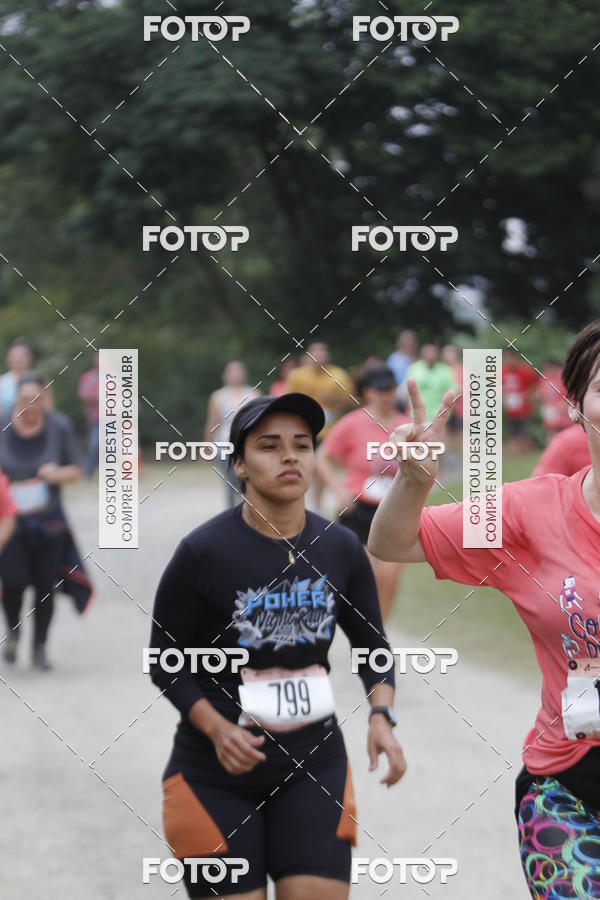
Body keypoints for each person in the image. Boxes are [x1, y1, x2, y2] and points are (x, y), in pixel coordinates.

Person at [368, 321, 600, 899]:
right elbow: (393, 544)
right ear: (573, 405)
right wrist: (414, 481)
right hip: (569, 789)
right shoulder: (531, 512)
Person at [150, 392, 406, 900]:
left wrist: (382, 716)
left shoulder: (340, 547)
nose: (290, 456)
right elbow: (166, 661)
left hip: (314, 764)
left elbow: (372, 645)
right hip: (214, 773)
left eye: (302, 445)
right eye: (269, 446)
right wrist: (219, 729)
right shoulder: (202, 552)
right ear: (239, 466)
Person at [0, 372, 90, 669]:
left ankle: (40, 647)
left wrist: (57, 474)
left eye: (37, 399)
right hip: (9, 520)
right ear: (16, 399)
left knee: (44, 586)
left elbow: (76, 469)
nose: (31, 405)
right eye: (26, 399)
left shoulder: (58, 426)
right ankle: (13, 631)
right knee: (12, 583)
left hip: (48, 522)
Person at [315, 364, 409, 620]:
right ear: (368, 392)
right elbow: (322, 456)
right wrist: (338, 490)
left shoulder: (406, 426)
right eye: (380, 390)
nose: (386, 395)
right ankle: (360, 626)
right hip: (359, 507)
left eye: (390, 389)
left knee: (390, 576)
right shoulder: (353, 423)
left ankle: (379, 631)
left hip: (394, 510)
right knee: (365, 574)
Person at [285, 343, 354, 510]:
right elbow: (288, 400)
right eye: (315, 354)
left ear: (328, 356)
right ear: (308, 357)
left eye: (322, 354)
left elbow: (351, 400)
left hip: (329, 430)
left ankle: (316, 504)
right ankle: (310, 502)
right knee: (309, 467)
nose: (318, 358)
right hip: (304, 428)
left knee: (319, 465)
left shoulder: (339, 375)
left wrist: (333, 400)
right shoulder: (297, 376)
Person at [205, 360, 261, 507]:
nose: (235, 373)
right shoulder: (218, 396)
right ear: (225, 375)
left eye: (239, 370)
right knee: (231, 479)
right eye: (232, 370)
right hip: (224, 443)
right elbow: (213, 422)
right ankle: (232, 513)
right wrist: (207, 446)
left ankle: (249, 510)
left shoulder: (253, 393)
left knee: (247, 478)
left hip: (247, 442)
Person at [405, 344, 456, 420]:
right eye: (427, 352)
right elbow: (406, 392)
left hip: (437, 417)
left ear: (437, 355)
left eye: (433, 352)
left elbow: (453, 391)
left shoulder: (444, 370)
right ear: (422, 354)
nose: (430, 355)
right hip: (415, 416)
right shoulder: (414, 369)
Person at [502, 350, 539, 454]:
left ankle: (527, 452)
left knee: (523, 433)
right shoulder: (502, 371)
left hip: (524, 408)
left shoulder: (526, 370)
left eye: (512, 358)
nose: (510, 360)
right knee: (512, 433)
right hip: (510, 409)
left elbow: (536, 385)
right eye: (507, 358)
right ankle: (515, 454)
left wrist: (527, 395)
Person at [538, 357, 572, 438]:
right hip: (551, 413)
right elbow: (541, 393)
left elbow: (572, 394)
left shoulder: (564, 377)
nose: (548, 370)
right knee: (551, 434)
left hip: (564, 415)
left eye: (549, 368)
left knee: (566, 435)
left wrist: (565, 403)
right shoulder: (544, 378)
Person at [78, 354, 100, 478]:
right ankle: (88, 472)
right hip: (94, 418)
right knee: (93, 445)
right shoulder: (87, 378)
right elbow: (83, 395)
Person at [387, 329, 417, 408]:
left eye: (411, 341)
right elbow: (391, 377)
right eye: (406, 341)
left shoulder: (416, 358)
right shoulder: (394, 358)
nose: (409, 344)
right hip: (399, 393)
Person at [0, 338, 32, 412]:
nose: (19, 358)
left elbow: (48, 409)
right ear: (8, 359)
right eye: (15, 355)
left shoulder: (39, 380)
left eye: (22, 355)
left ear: (29, 358)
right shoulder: (1, 381)